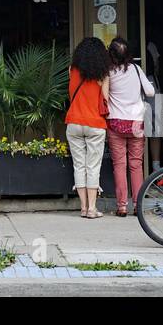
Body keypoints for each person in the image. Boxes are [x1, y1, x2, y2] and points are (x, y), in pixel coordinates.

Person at [105, 35, 155, 217]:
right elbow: (150, 91)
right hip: (136, 124)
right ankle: (138, 205)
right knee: (136, 165)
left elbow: (104, 96)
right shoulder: (135, 69)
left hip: (115, 123)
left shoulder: (108, 72)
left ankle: (122, 206)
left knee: (119, 164)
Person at [65, 36, 110, 218]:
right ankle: (92, 208)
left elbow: (70, 93)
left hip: (74, 122)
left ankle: (83, 208)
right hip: (95, 123)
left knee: (79, 165)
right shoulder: (103, 74)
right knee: (92, 166)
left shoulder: (72, 70)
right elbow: (105, 99)